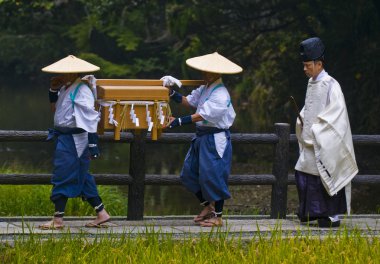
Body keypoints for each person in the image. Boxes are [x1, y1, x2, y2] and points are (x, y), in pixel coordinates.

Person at [161, 52, 242, 227]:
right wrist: (170, 92)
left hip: (215, 138)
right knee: (188, 174)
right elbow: (189, 102)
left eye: (207, 71)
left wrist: (178, 121)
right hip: (201, 137)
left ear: (215, 73)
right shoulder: (205, 88)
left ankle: (218, 217)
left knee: (213, 176)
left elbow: (203, 115)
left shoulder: (221, 94)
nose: (203, 73)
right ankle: (208, 207)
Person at [39, 55, 110, 229]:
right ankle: (101, 213)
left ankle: (58, 220)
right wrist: (53, 91)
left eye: (64, 73)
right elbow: (55, 110)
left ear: (72, 73)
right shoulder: (66, 88)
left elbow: (91, 118)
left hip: (75, 139)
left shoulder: (82, 90)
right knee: (82, 176)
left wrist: (93, 145)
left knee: (62, 174)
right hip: (65, 137)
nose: (60, 76)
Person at [294, 37, 358, 227]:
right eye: (304, 65)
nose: (305, 69)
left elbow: (336, 116)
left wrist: (317, 129)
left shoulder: (332, 85)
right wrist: (303, 119)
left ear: (319, 63)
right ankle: (312, 213)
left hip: (324, 141)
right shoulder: (312, 83)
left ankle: (331, 216)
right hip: (310, 141)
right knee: (303, 172)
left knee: (326, 175)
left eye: (308, 65)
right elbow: (310, 108)